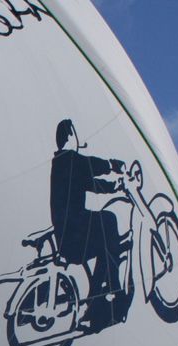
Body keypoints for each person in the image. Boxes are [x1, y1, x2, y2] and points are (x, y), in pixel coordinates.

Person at [49, 119, 126, 330]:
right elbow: (91, 166)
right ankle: (104, 289)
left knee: (104, 244)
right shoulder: (69, 160)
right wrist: (112, 166)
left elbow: (90, 183)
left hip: (68, 235)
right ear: (70, 137)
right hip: (75, 234)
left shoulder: (62, 164)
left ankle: (98, 295)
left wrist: (112, 186)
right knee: (109, 221)